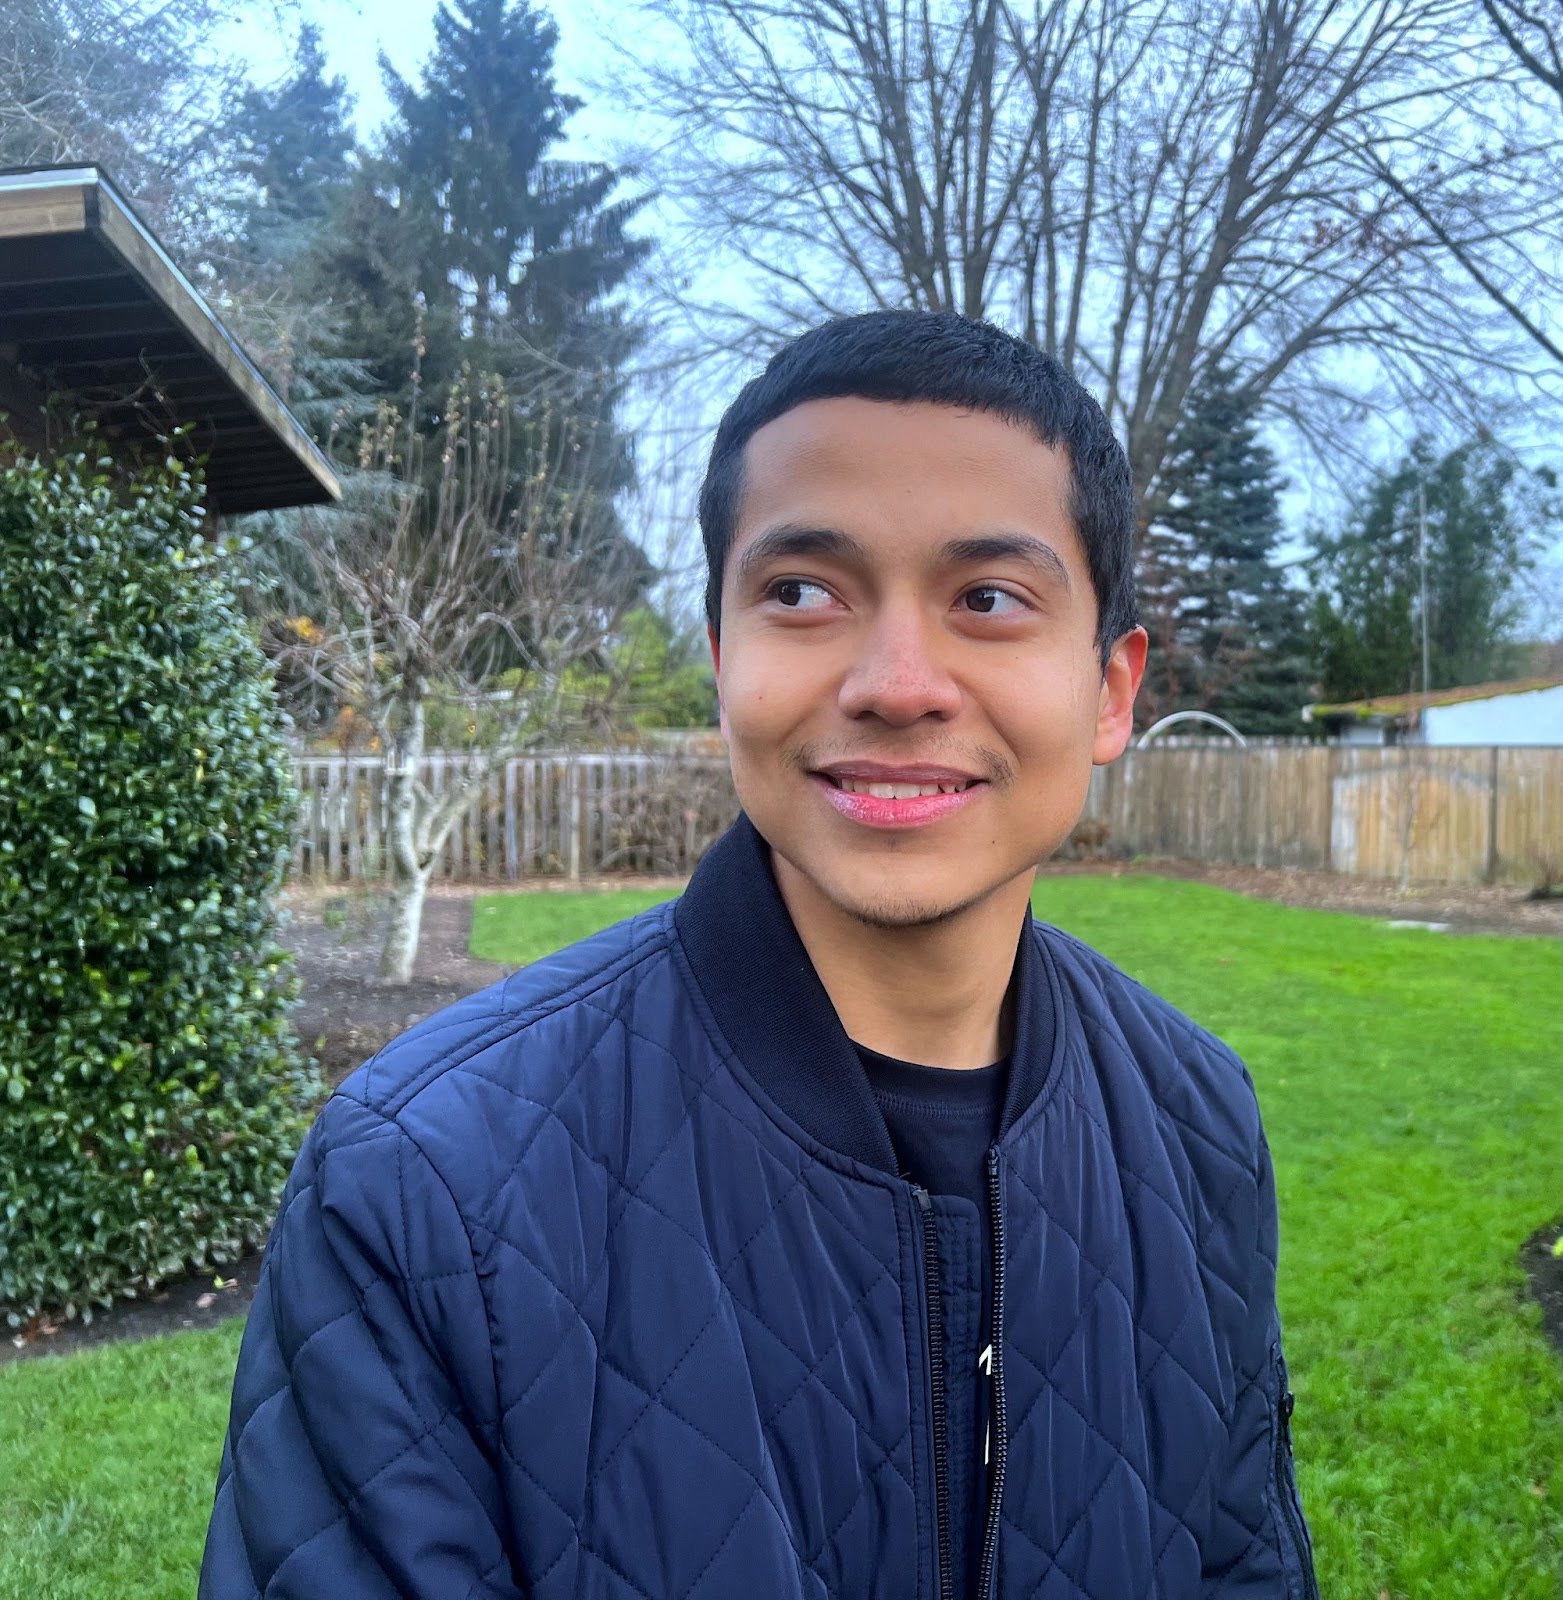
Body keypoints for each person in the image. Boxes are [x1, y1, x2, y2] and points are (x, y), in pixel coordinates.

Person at [199, 310, 1318, 1600]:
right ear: (727, 657)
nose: (899, 682)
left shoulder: (1195, 1122)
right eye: (803, 593)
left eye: (990, 599)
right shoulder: (421, 1184)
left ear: (1113, 689)